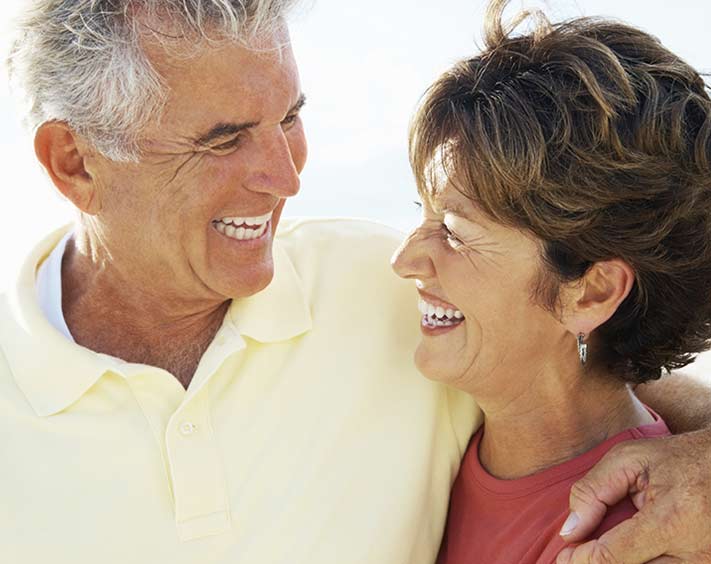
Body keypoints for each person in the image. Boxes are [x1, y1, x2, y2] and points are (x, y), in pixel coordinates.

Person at [0, 1, 710, 563]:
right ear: (75, 162)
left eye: (290, 118)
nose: (286, 177)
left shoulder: (389, 294)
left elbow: (579, 359)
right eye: (223, 139)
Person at [392, 0, 711, 562]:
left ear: (590, 292)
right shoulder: (439, 429)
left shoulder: (635, 540)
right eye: (420, 213)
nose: (405, 260)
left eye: (456, 232)